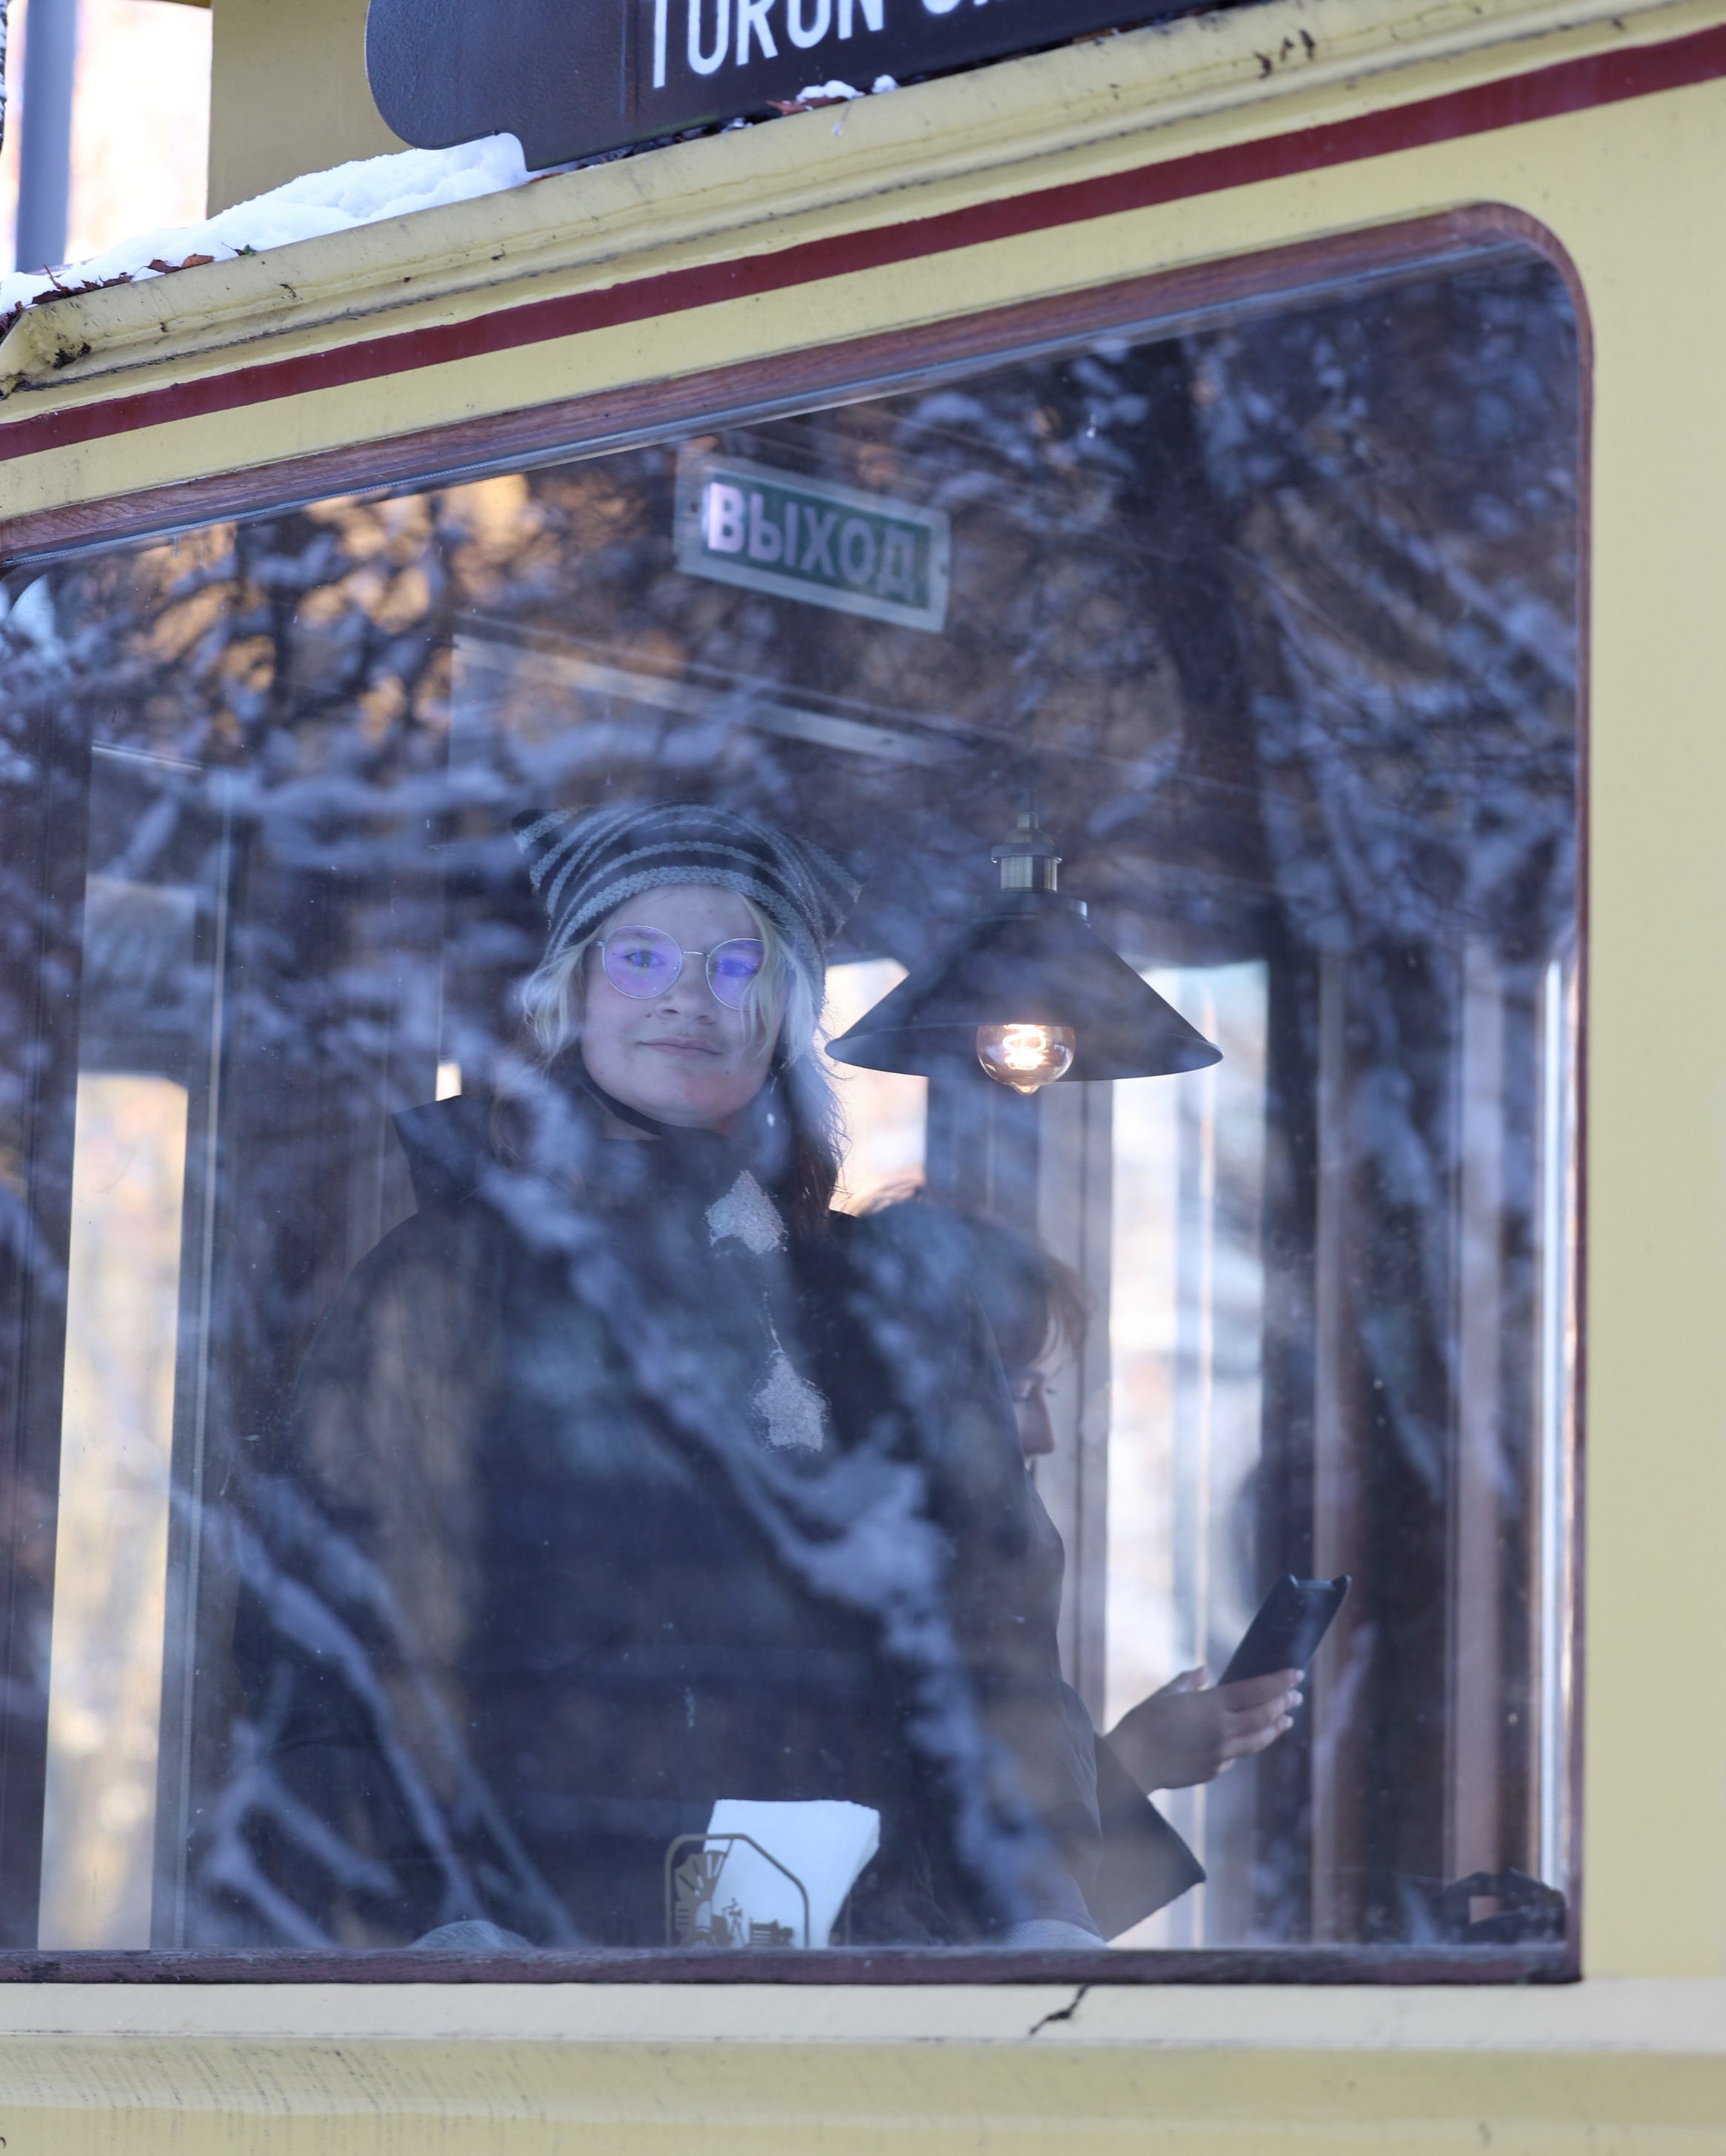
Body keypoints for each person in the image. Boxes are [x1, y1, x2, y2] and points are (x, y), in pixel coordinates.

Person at [222, 801, 1103, 1952]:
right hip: (541, 1976)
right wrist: (426, 1932)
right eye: (640, 958)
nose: (686, 996)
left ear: (781, 1012)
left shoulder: (894, 1305)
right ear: (574, 995)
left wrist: (1041, 1917)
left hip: (873, 1984)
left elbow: (1000, 1645)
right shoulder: (444, 1283)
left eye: (735, 962)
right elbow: (324, 1651)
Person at [955, 1211, 1301, 1935]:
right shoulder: (896, 1608)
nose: (1044, 1438)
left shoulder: (968, 1587)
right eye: (1020, 1394)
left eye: (1047, 1395)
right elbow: (967, 1925)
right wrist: (1137, 1756)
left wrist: (1135, 1759)